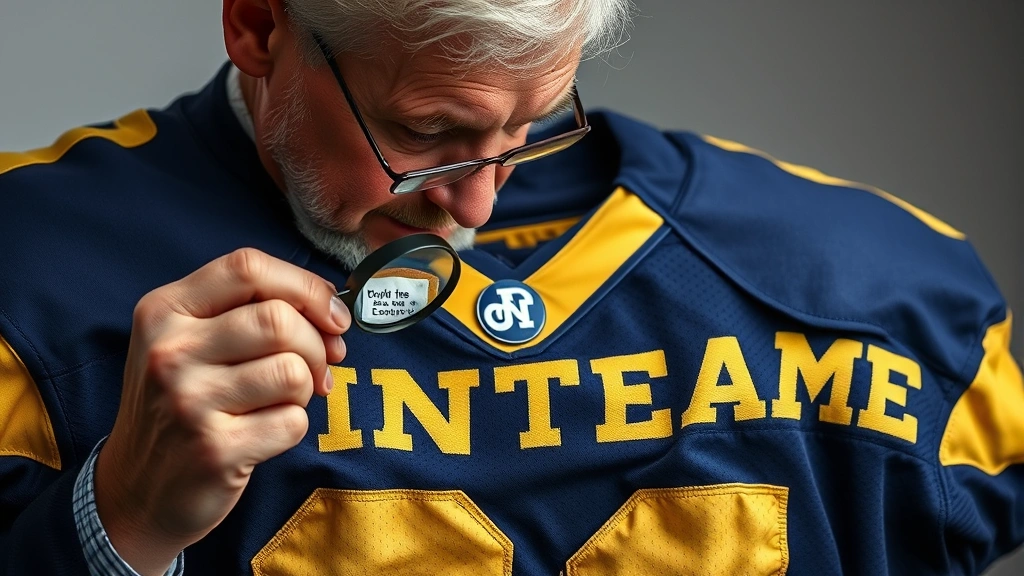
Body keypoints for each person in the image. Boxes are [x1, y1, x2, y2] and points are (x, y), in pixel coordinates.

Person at [1, 0, 1021, 574]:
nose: (480, 203)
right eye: (429, 135)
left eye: (533, 123)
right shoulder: (27, 280)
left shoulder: (885, 299)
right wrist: (118, 519)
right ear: (260, 25)